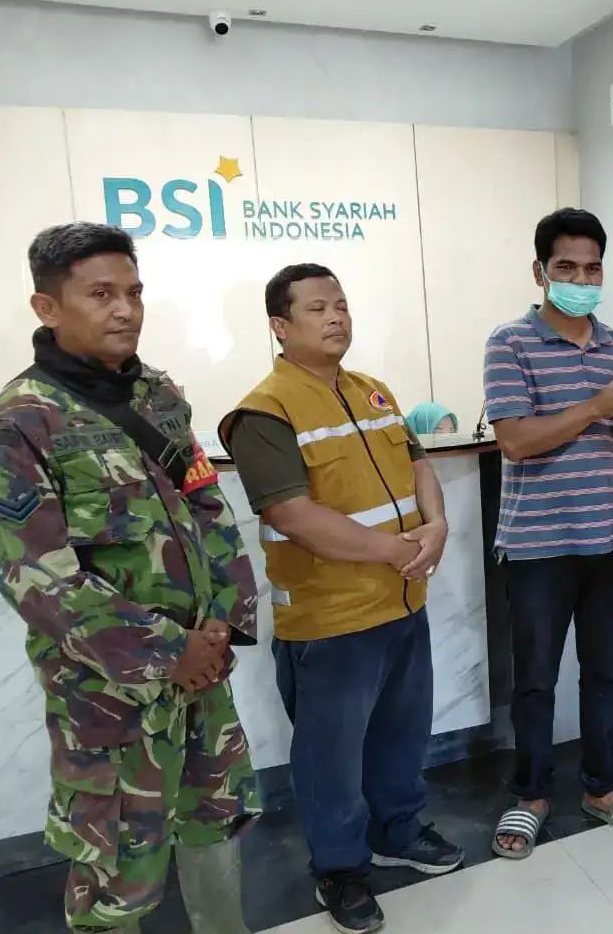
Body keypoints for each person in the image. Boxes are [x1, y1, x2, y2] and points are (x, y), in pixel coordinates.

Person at [0, 222, 260, 934]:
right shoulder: (20, 424)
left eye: (133, 292)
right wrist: (171, 651)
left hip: (201, 679)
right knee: (117, 879)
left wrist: (222, 624)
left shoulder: (157, 396)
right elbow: (39, 582)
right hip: (109, 702)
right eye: (101, 295)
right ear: (47, 307)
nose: (126, 310)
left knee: (214, 826)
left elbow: (207, 506)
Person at [220, 264, 463, 934]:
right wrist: (394, 549)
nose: (336, 317)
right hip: (330, 617)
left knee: (401, 736)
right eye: (317, 308)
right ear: (280, 325)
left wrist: (437, 524)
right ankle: (340, 868)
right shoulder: (263, 412)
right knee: (331, 757)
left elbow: (418, 465)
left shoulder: (372, 391)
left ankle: (399, 830)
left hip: (402, 602)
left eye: (342, 304)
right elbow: (292, 514)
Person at [484, 208, 613, 859]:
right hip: (538, 545)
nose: (582, 280)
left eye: (592, 269)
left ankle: (602, 786)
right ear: (540, 272)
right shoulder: (509, 344)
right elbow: (515, 441)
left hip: (612, 537)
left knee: (606, 674)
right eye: (567, 268)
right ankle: (531, 793)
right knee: (535, 680)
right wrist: (594, 405)